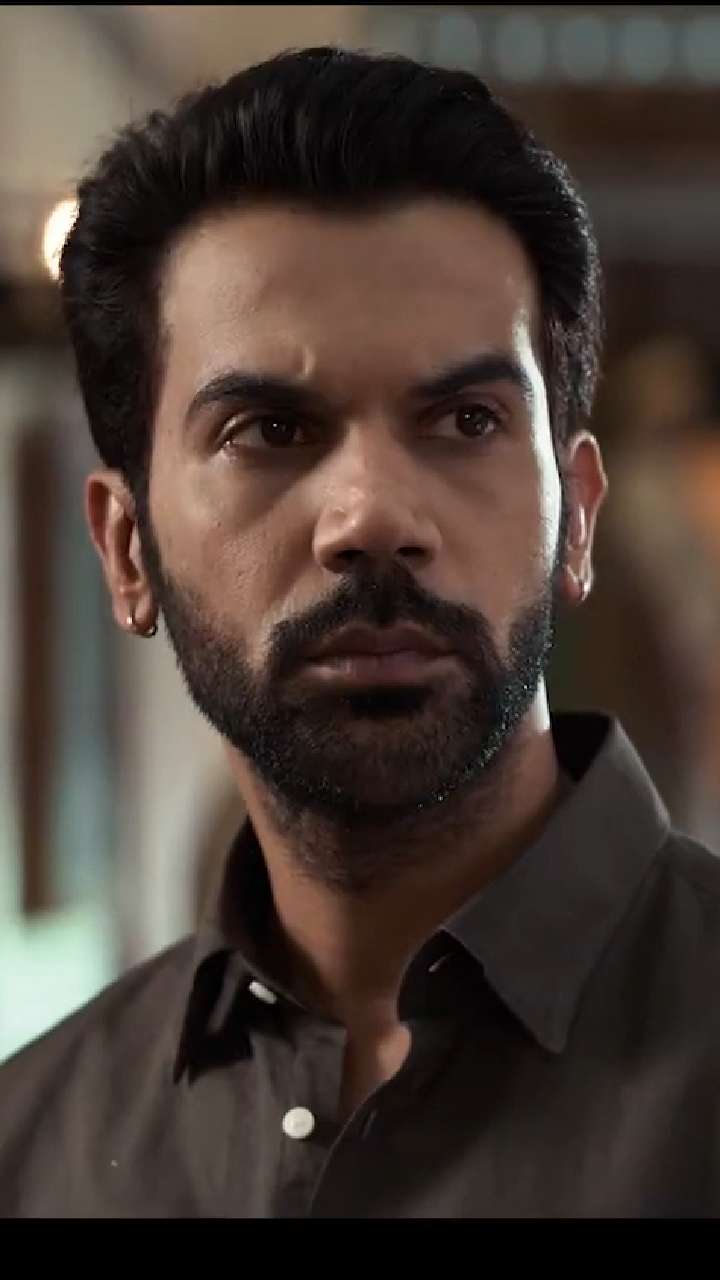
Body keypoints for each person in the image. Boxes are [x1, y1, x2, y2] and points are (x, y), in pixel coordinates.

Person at [1, 46, 719, 1221]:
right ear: (128, 550)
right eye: (271, 429)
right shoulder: (32, 1149)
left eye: (467, 419)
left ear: (578, 517)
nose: (374, 515)